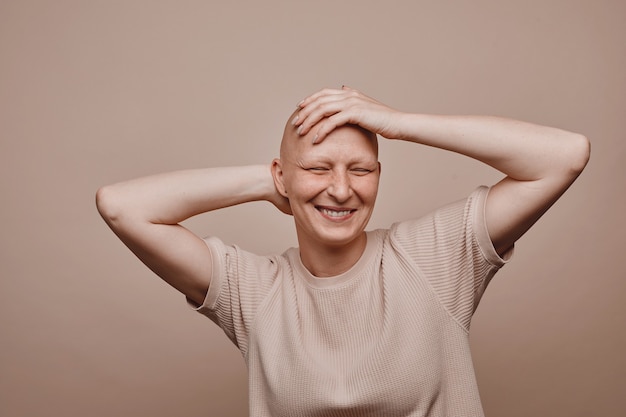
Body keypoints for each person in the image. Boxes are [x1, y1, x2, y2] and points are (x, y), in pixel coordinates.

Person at [96, 86, 590, 416]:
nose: (340, 189)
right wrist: (273, 181)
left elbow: (563, 156)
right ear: (282, 174)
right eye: (318, 169)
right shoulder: (254, 292)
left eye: (361, 169)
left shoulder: (433, 258)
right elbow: (121, 206)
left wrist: (395, 122)